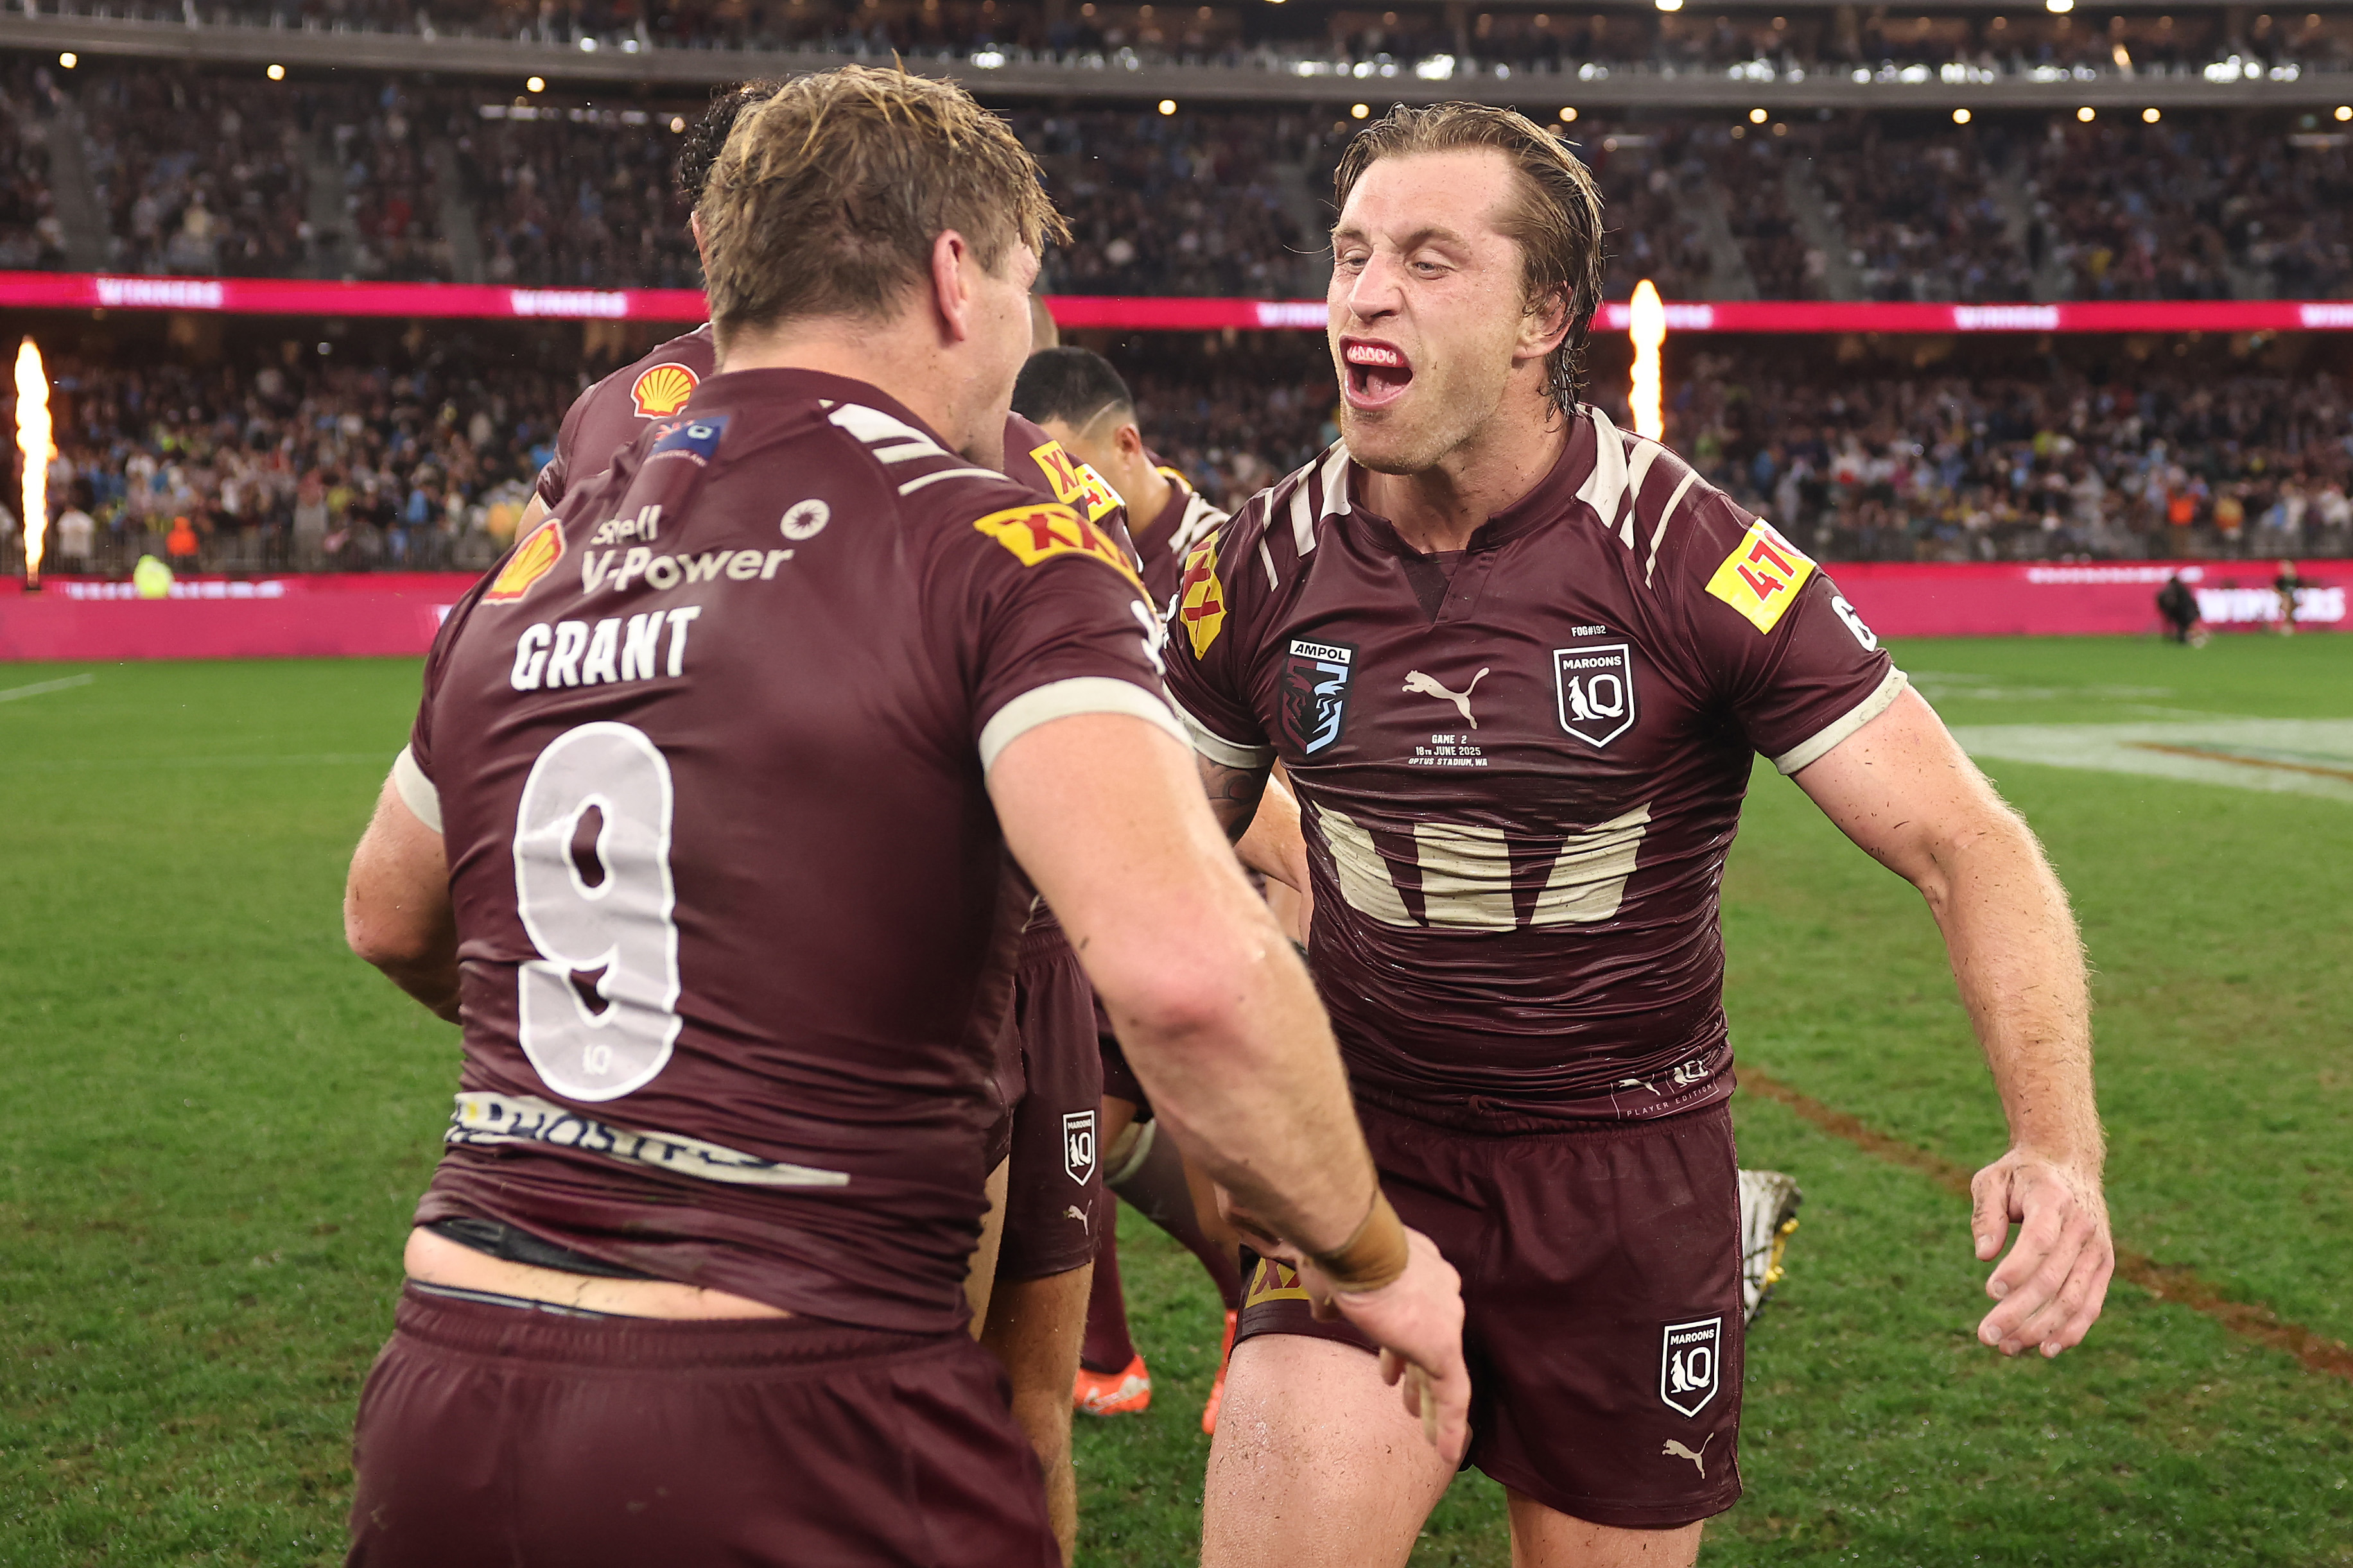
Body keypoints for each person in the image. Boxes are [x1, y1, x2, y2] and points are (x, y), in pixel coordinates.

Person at [338, 67, 1470, 1568]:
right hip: (802, 1401)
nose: (1024, 336)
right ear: (954, 276)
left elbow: (387, 912)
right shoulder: (994, 543)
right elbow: (1190, 977)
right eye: (1023, 287)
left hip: (451, 1387)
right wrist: (1372, 1260)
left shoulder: (540, 562)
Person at [1166, 103, 2111, 1568]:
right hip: (1365, 1161)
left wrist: (2056, 1146)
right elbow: (1151, 866)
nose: (1364, 294)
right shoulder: (1255, 567)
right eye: (1350, 254)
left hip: (1628, 1182)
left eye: (1426, 259)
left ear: (1543, 317)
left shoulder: (1692, 560)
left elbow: (1964, 846)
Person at [517, 81, 1119, 1560]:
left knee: (1020, 1411)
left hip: (1025, 958)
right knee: (874, 1416)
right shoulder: (627, 422)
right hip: (835, 973)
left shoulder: (999, 434)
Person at [1011, 343, 1247, 1427]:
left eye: (1068, 465)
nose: (1054, 487)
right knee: (1082, 1134)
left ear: (1126, 445)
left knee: (1224, 1153)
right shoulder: (1057, 543)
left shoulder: (1225, 555)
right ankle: (1112, 1348)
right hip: (1101, 899)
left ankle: (1263, 1314)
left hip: (1219, 898)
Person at [2156, 572, 2203, 646]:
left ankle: (2183, 637)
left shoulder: (2173, 589)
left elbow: (2169, 601)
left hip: (2180, 611)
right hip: (2184, 611)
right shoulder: (2182, 588)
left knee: (2183, 626)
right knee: (2185, 626)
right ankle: (2185, 638)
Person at [2273, 558, 2303, 637]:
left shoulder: (2297, 580)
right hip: (2283, 601)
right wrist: (2283, 595)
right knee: (2287, 602)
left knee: (2289, 602)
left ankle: (2288, 624)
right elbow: (2275, 590)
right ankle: (2287, 624)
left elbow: (2301, 590)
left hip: (2295, 601)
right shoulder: (2280, 581)